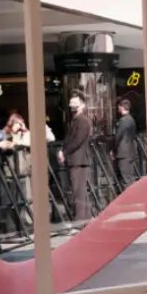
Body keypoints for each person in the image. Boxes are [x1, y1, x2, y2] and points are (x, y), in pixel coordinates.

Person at [58, 91, 92, 223]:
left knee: (78, 190)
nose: (71, 104)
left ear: (82, 105)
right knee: (79, 190)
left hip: (79, 160)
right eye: (71, 102)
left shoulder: (82, 121)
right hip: (76, 160)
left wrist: (64, 152)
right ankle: (85, 217)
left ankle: (81, 219)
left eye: (74, 102)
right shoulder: (75, 120)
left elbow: (77, 140)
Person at [112, 98, 138, 187]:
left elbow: (118, 136)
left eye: (119, 107)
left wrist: (114, 149)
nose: (118, 109)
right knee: (130, 177)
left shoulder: (123, 121)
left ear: (122, 107)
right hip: (130, 151)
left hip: (123, 153)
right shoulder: (131, 119)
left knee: (125, 179)